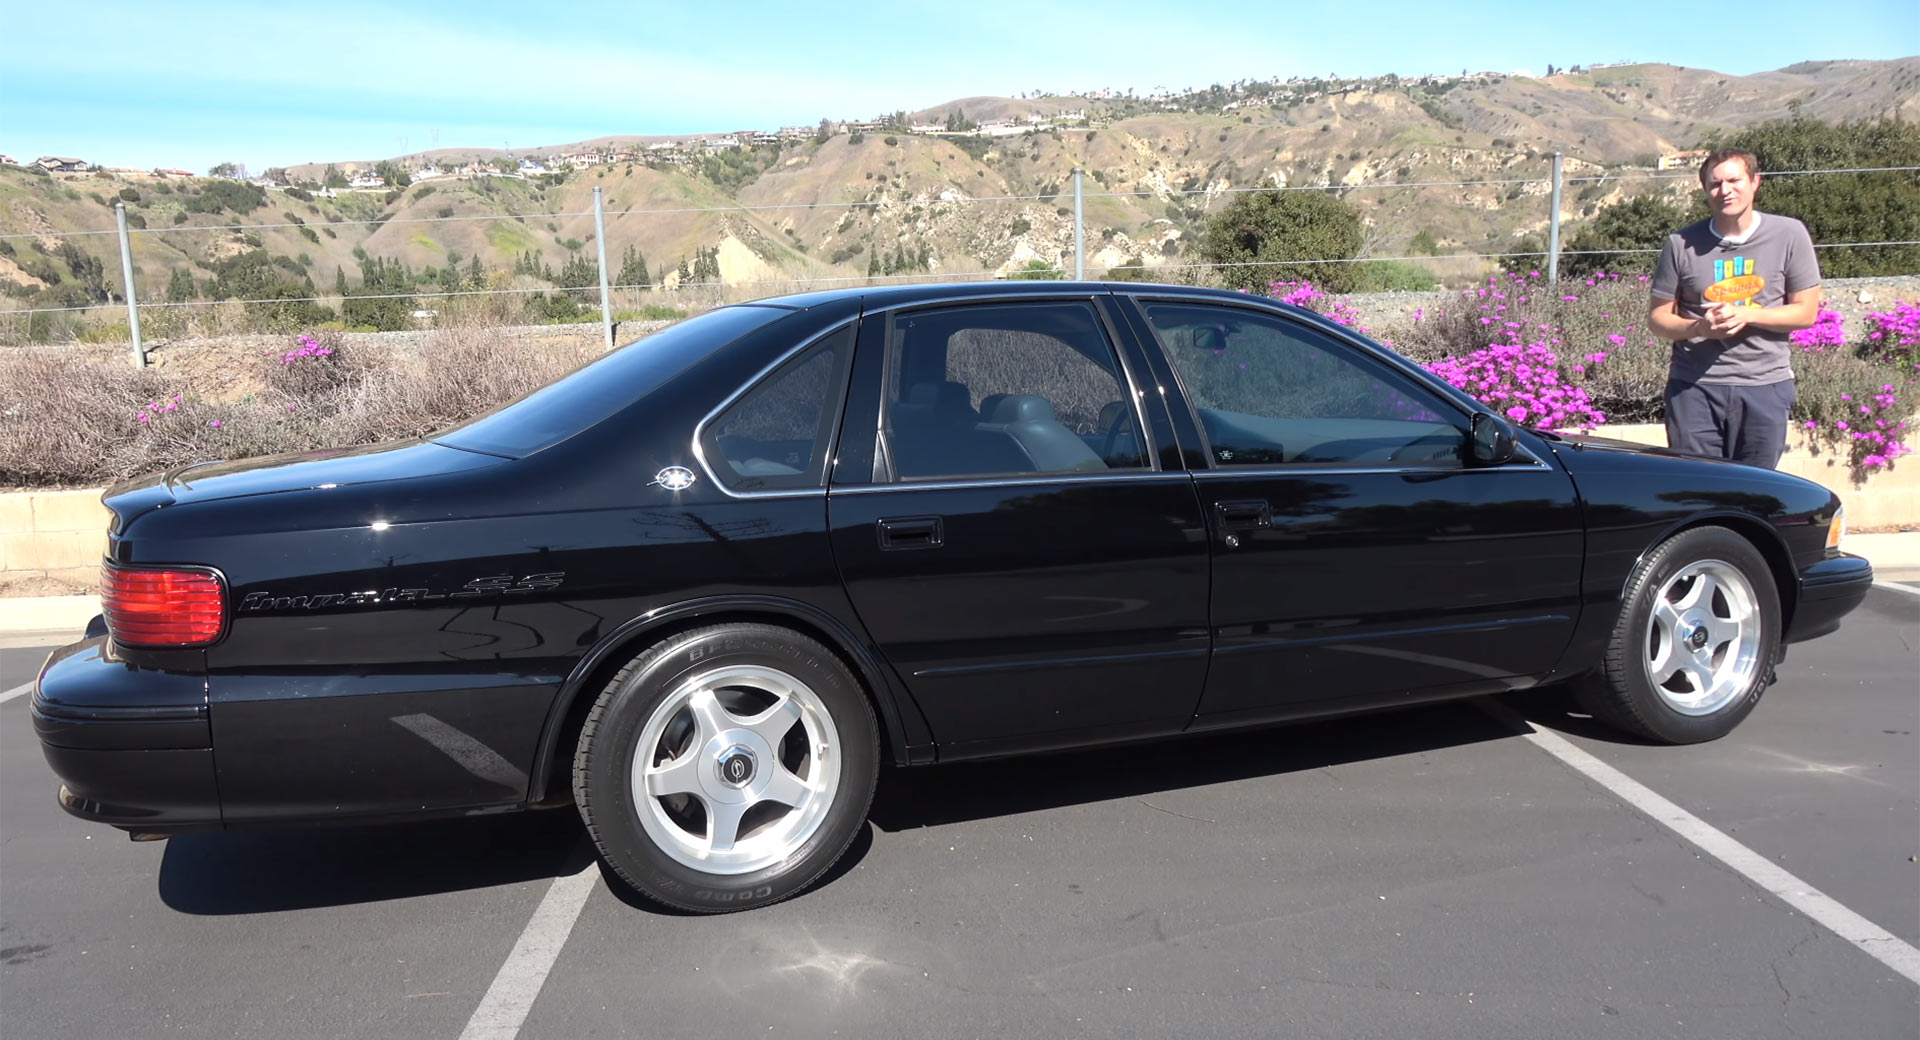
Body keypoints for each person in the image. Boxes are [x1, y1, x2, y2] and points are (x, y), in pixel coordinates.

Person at [1648, 148, 1822, 469]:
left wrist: (1748, 314)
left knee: (1756, 492)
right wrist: (1700, 328)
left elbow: (1805, 313)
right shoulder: (1680, 244)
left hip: (1764, 388)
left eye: (1734, 180)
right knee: (1699, 490)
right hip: (1694, 390)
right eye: (1715, 184)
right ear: (1705, 190)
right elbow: (1659, 319)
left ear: (1755, 182)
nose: (1725, 190)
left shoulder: (1789, 234)